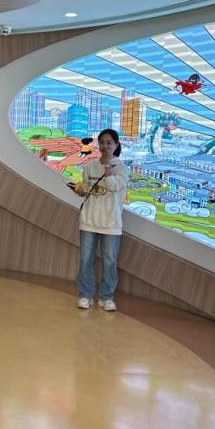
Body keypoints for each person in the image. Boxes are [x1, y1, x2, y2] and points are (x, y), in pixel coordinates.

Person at [76, 129, 128, 312]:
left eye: (109, 143)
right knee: (85, 260)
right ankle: (85, 295)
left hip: (111, 223)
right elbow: (87, 189)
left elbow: (114, 187)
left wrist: (108, 169)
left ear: (116, 145)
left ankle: (106, 297)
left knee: (109, 261)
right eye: (102, 142)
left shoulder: (121, 168)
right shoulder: (90, 166)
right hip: (89, 220)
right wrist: (80, 190)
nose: (105, 146)